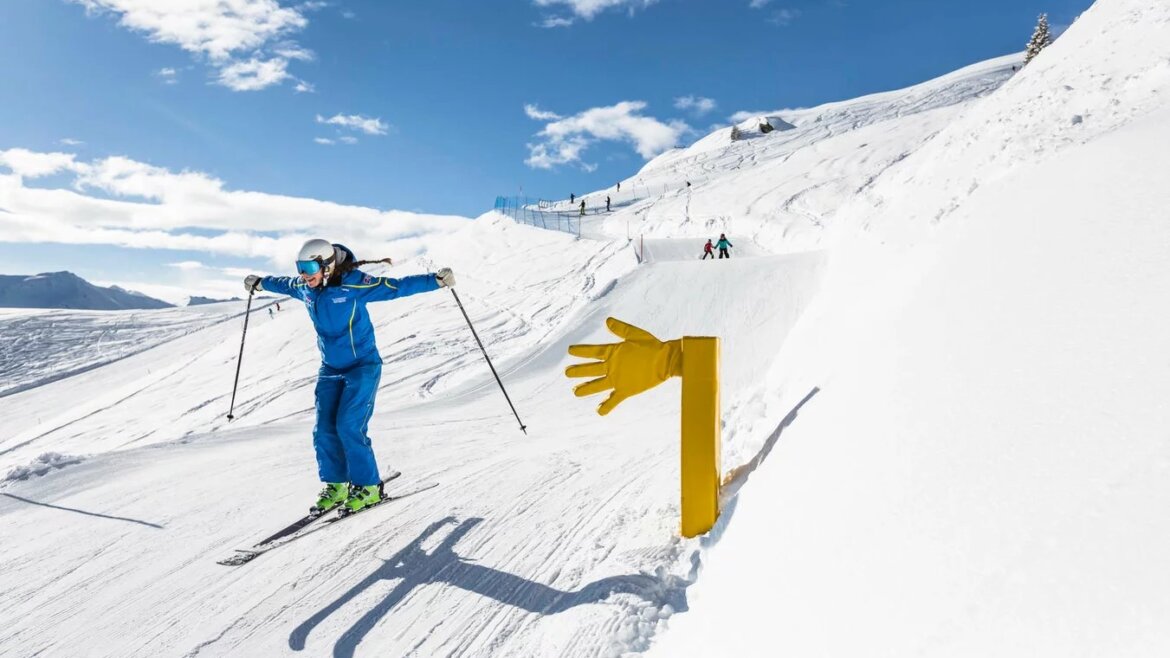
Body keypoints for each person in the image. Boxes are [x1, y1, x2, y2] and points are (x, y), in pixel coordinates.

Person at [243, 239, 455, 516]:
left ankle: (368, 487)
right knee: (324, 430)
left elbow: (396, 287)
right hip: (330, 368)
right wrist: (260, 282)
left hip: (362, 366)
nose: (304, 274)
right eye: (300, 267)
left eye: (309, 267)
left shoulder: (354, 283)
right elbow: (282, 283)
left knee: (349, 426)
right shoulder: (304, 287)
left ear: (327, 266)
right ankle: (337, 485)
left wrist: (436, 281)